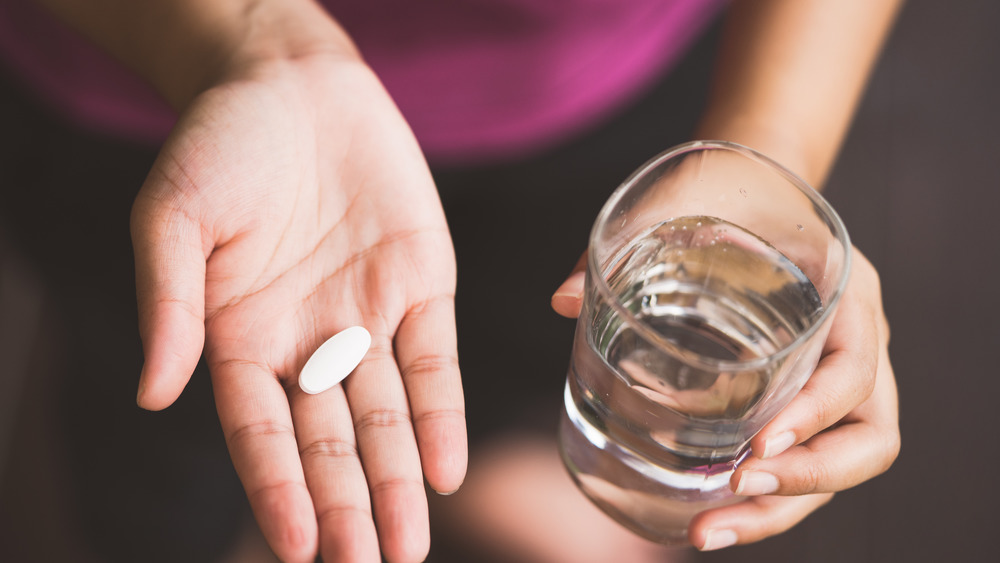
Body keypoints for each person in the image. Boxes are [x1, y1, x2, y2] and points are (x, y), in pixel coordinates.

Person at [0, 0, 901, 562]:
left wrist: (766, 160)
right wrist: (245, 36)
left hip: (607, 81)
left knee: (533, 331)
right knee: (170, 410)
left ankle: (497, 466)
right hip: (159, 76)